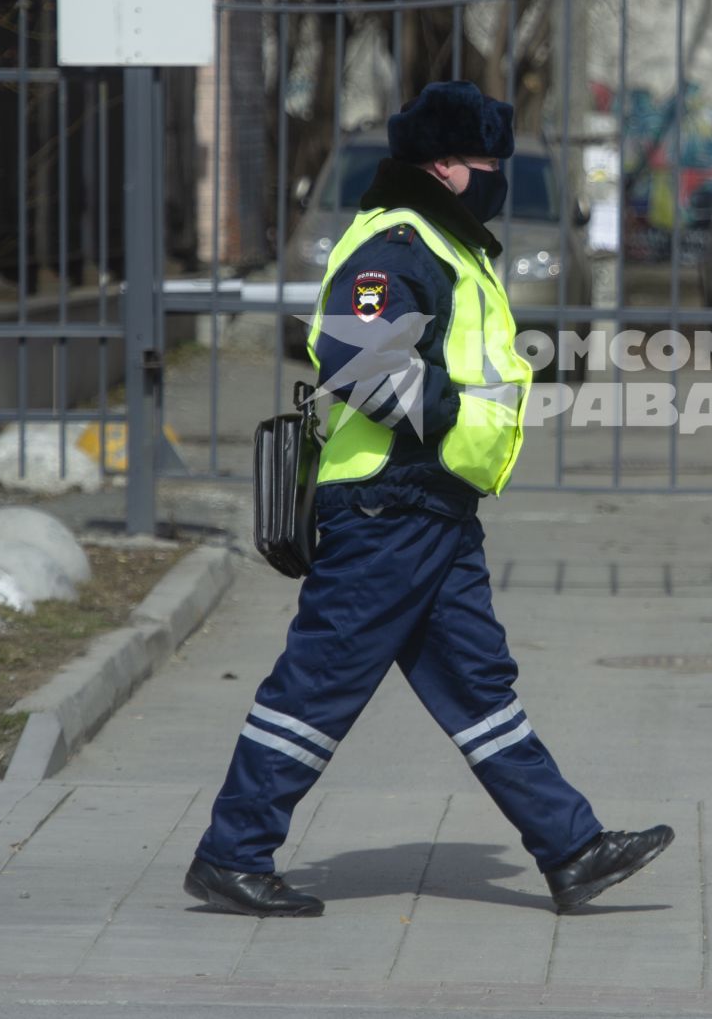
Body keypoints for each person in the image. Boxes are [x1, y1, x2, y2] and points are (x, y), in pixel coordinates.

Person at [185, 81, 672, 917]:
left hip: (432, 507)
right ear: (444, 165)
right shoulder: (397, 241)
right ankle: (232, 852)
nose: (496, 177)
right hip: (385, 505)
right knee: (317, 686)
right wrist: (447, 419)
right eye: (486, 162)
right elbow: (357, 352)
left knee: (481, 688)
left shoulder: (447, 242)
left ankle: (573, 849)